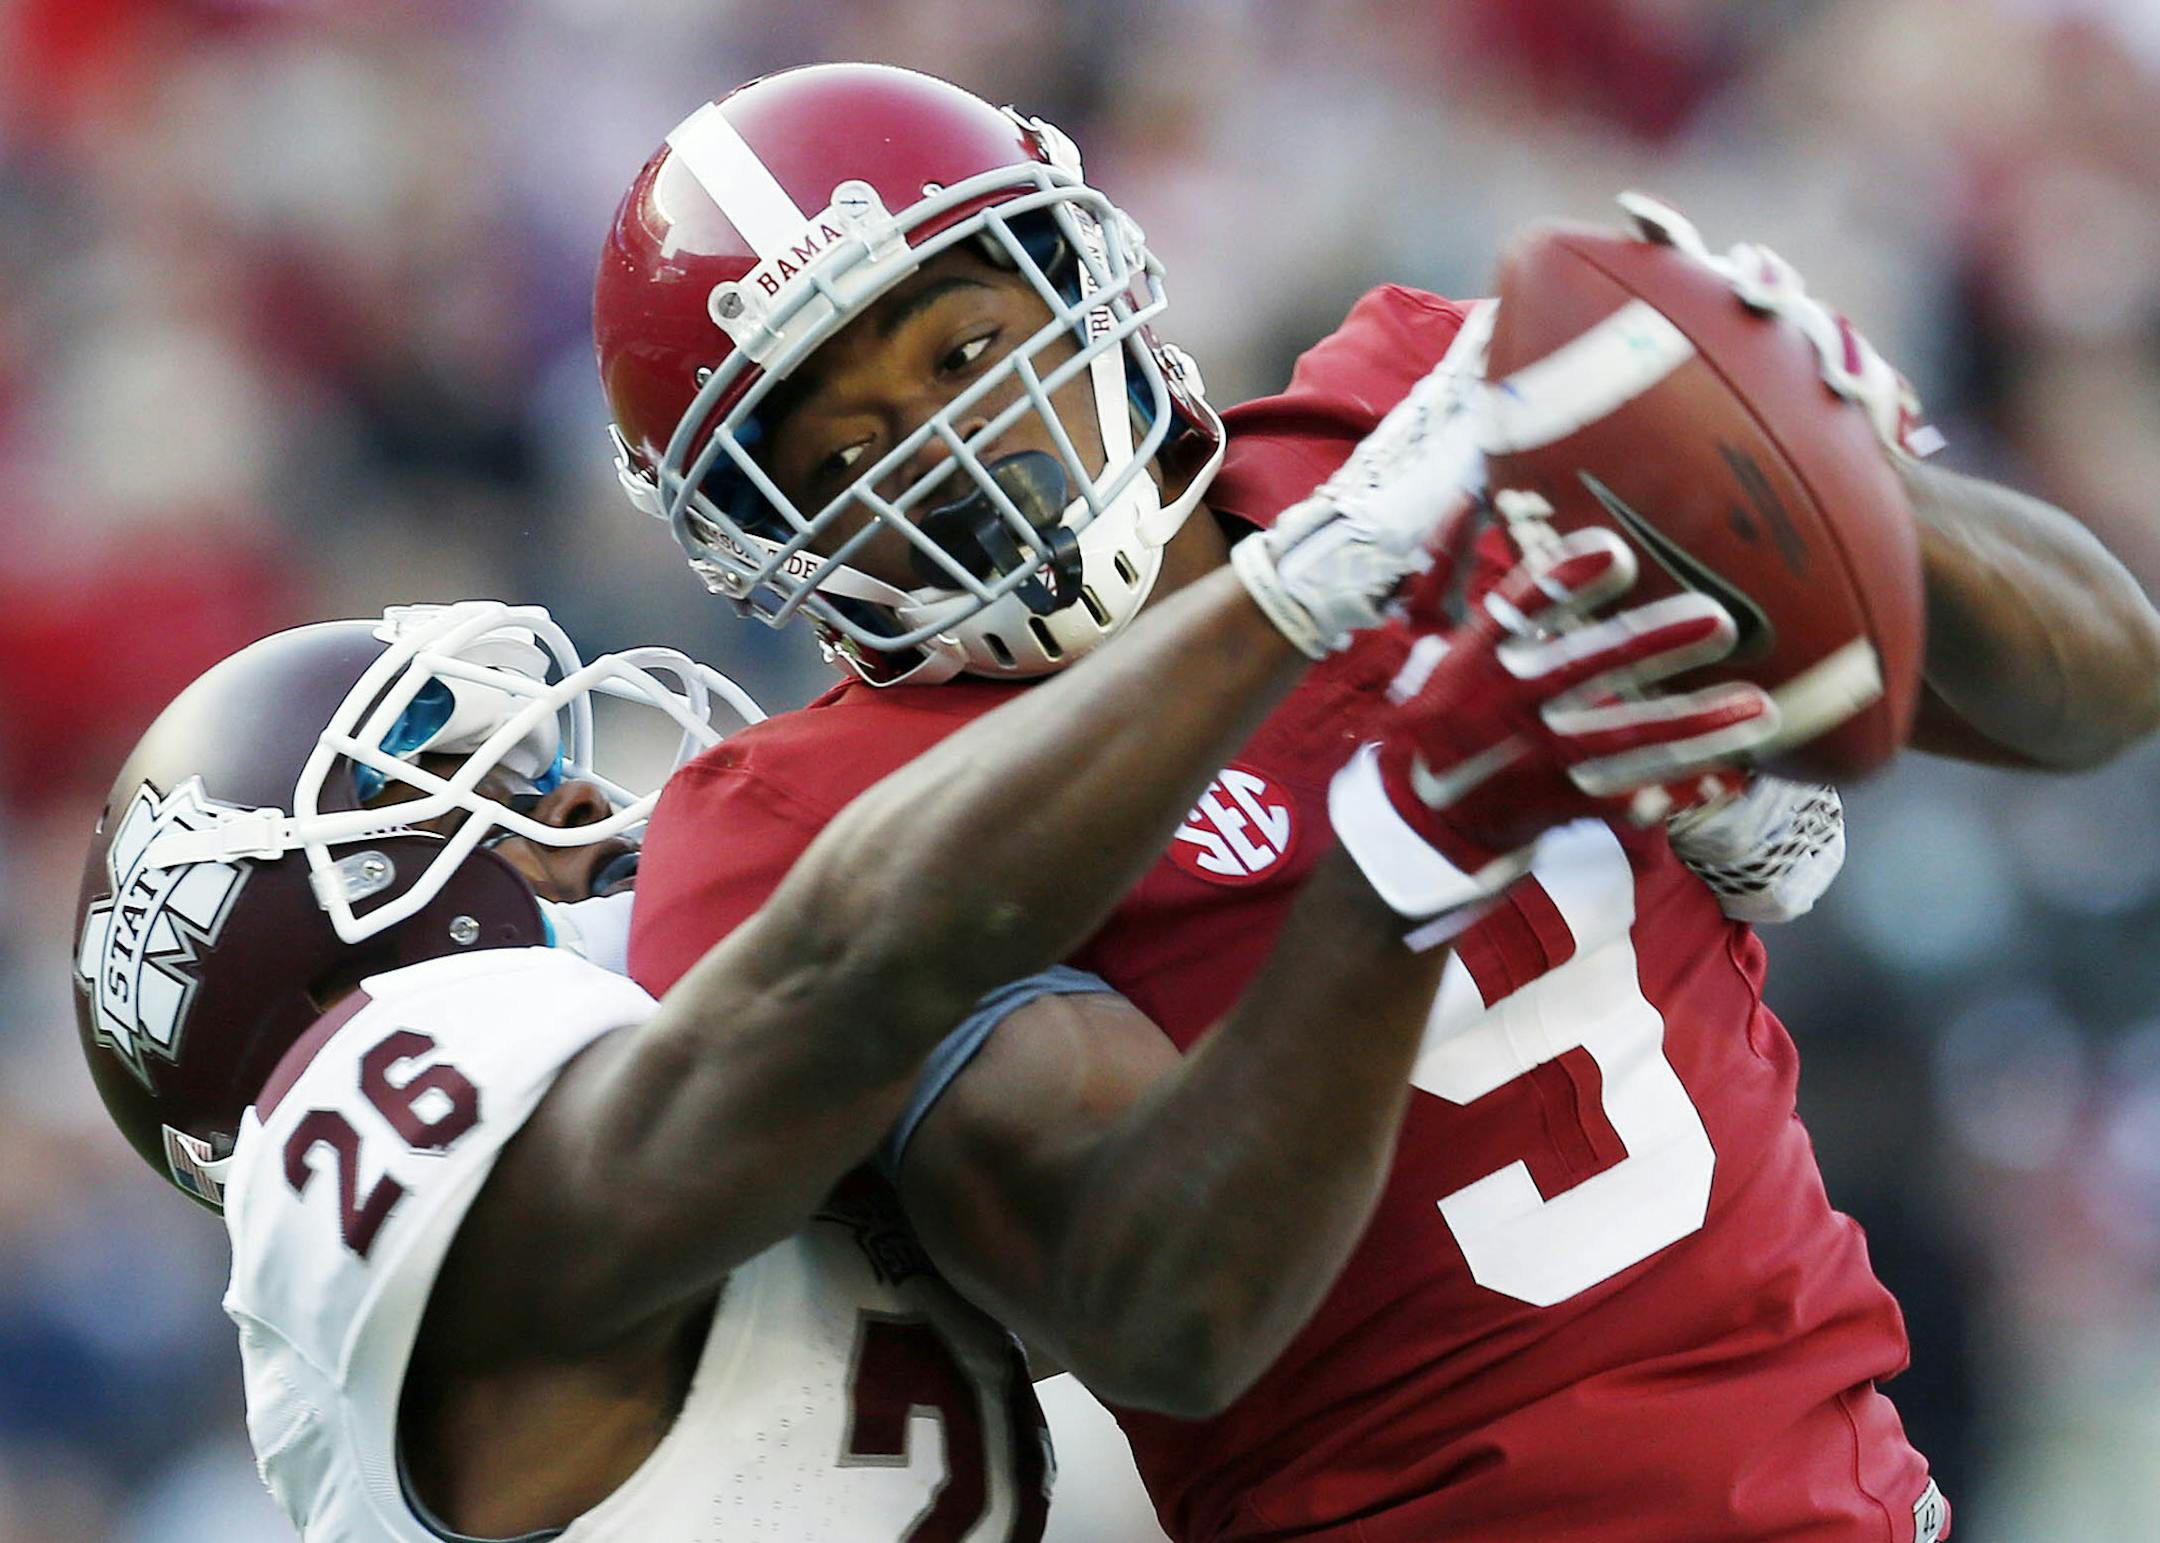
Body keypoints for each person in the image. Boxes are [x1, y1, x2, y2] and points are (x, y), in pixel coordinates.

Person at [603, 64, 2160, 1542]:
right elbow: (1172, 1311)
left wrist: (1778, 437)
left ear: (1088, 283)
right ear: (752, 526)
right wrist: (1418, 839)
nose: (953, 456)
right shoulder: (808, 824)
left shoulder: (1422, 407)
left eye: (962, 355)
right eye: (847, 448)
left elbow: (2098, 682)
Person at [71, 406, 1765, 1543]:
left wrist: (1605, 842)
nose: (596, 807)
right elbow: (841, 975)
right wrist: (1283, 610)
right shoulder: (406, 1127)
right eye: (507, 797)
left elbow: (1191, 1262)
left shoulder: (735, 1115)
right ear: (321, 953)